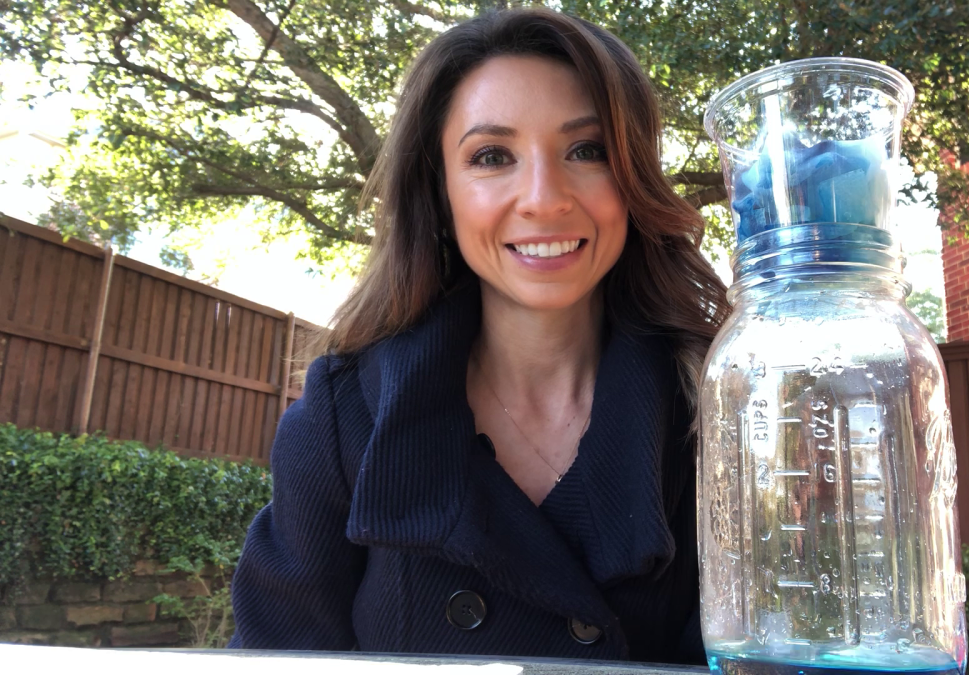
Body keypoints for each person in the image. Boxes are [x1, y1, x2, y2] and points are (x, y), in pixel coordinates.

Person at [227, 7, 730, 665]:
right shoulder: (345, 414)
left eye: (587, 149)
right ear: (441, 191)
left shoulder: (721, 411)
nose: (544, 198)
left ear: (631, 179)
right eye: (492, 156)